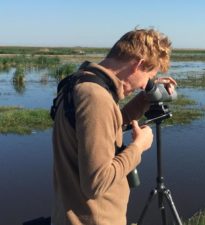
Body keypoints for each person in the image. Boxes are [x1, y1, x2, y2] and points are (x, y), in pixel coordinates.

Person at [51, 28, 176, 225]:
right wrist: (138, 147)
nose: (146, 85)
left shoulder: (80, 82)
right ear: (139, 64)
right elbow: (96, 183)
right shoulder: (96, 98)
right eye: (148, 77)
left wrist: (146, 97)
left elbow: (110, 123)